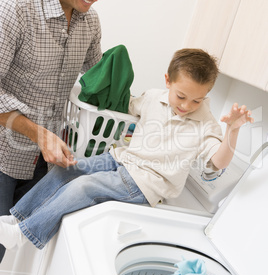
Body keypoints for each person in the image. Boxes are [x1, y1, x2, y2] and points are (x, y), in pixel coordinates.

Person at [0, 48, 254, 251]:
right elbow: (126, 107)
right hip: (119, 159)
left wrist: (232, 130)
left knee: (83, 187)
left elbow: (218, 162)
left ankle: (23, 234)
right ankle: (21, 218)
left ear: (207, 94)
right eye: (181, 96)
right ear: (168, 81)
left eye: (197, 100)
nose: (187, 105)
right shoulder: (154, 97)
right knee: (67, 169)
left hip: (145, 183)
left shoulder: (206, 124)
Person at [0, 0, 118, 211]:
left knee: (20, 247)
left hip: (44, 164)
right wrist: (40, 135)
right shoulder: (13, 6)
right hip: (4, 156)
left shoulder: (89, 22)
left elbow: (97, 84)